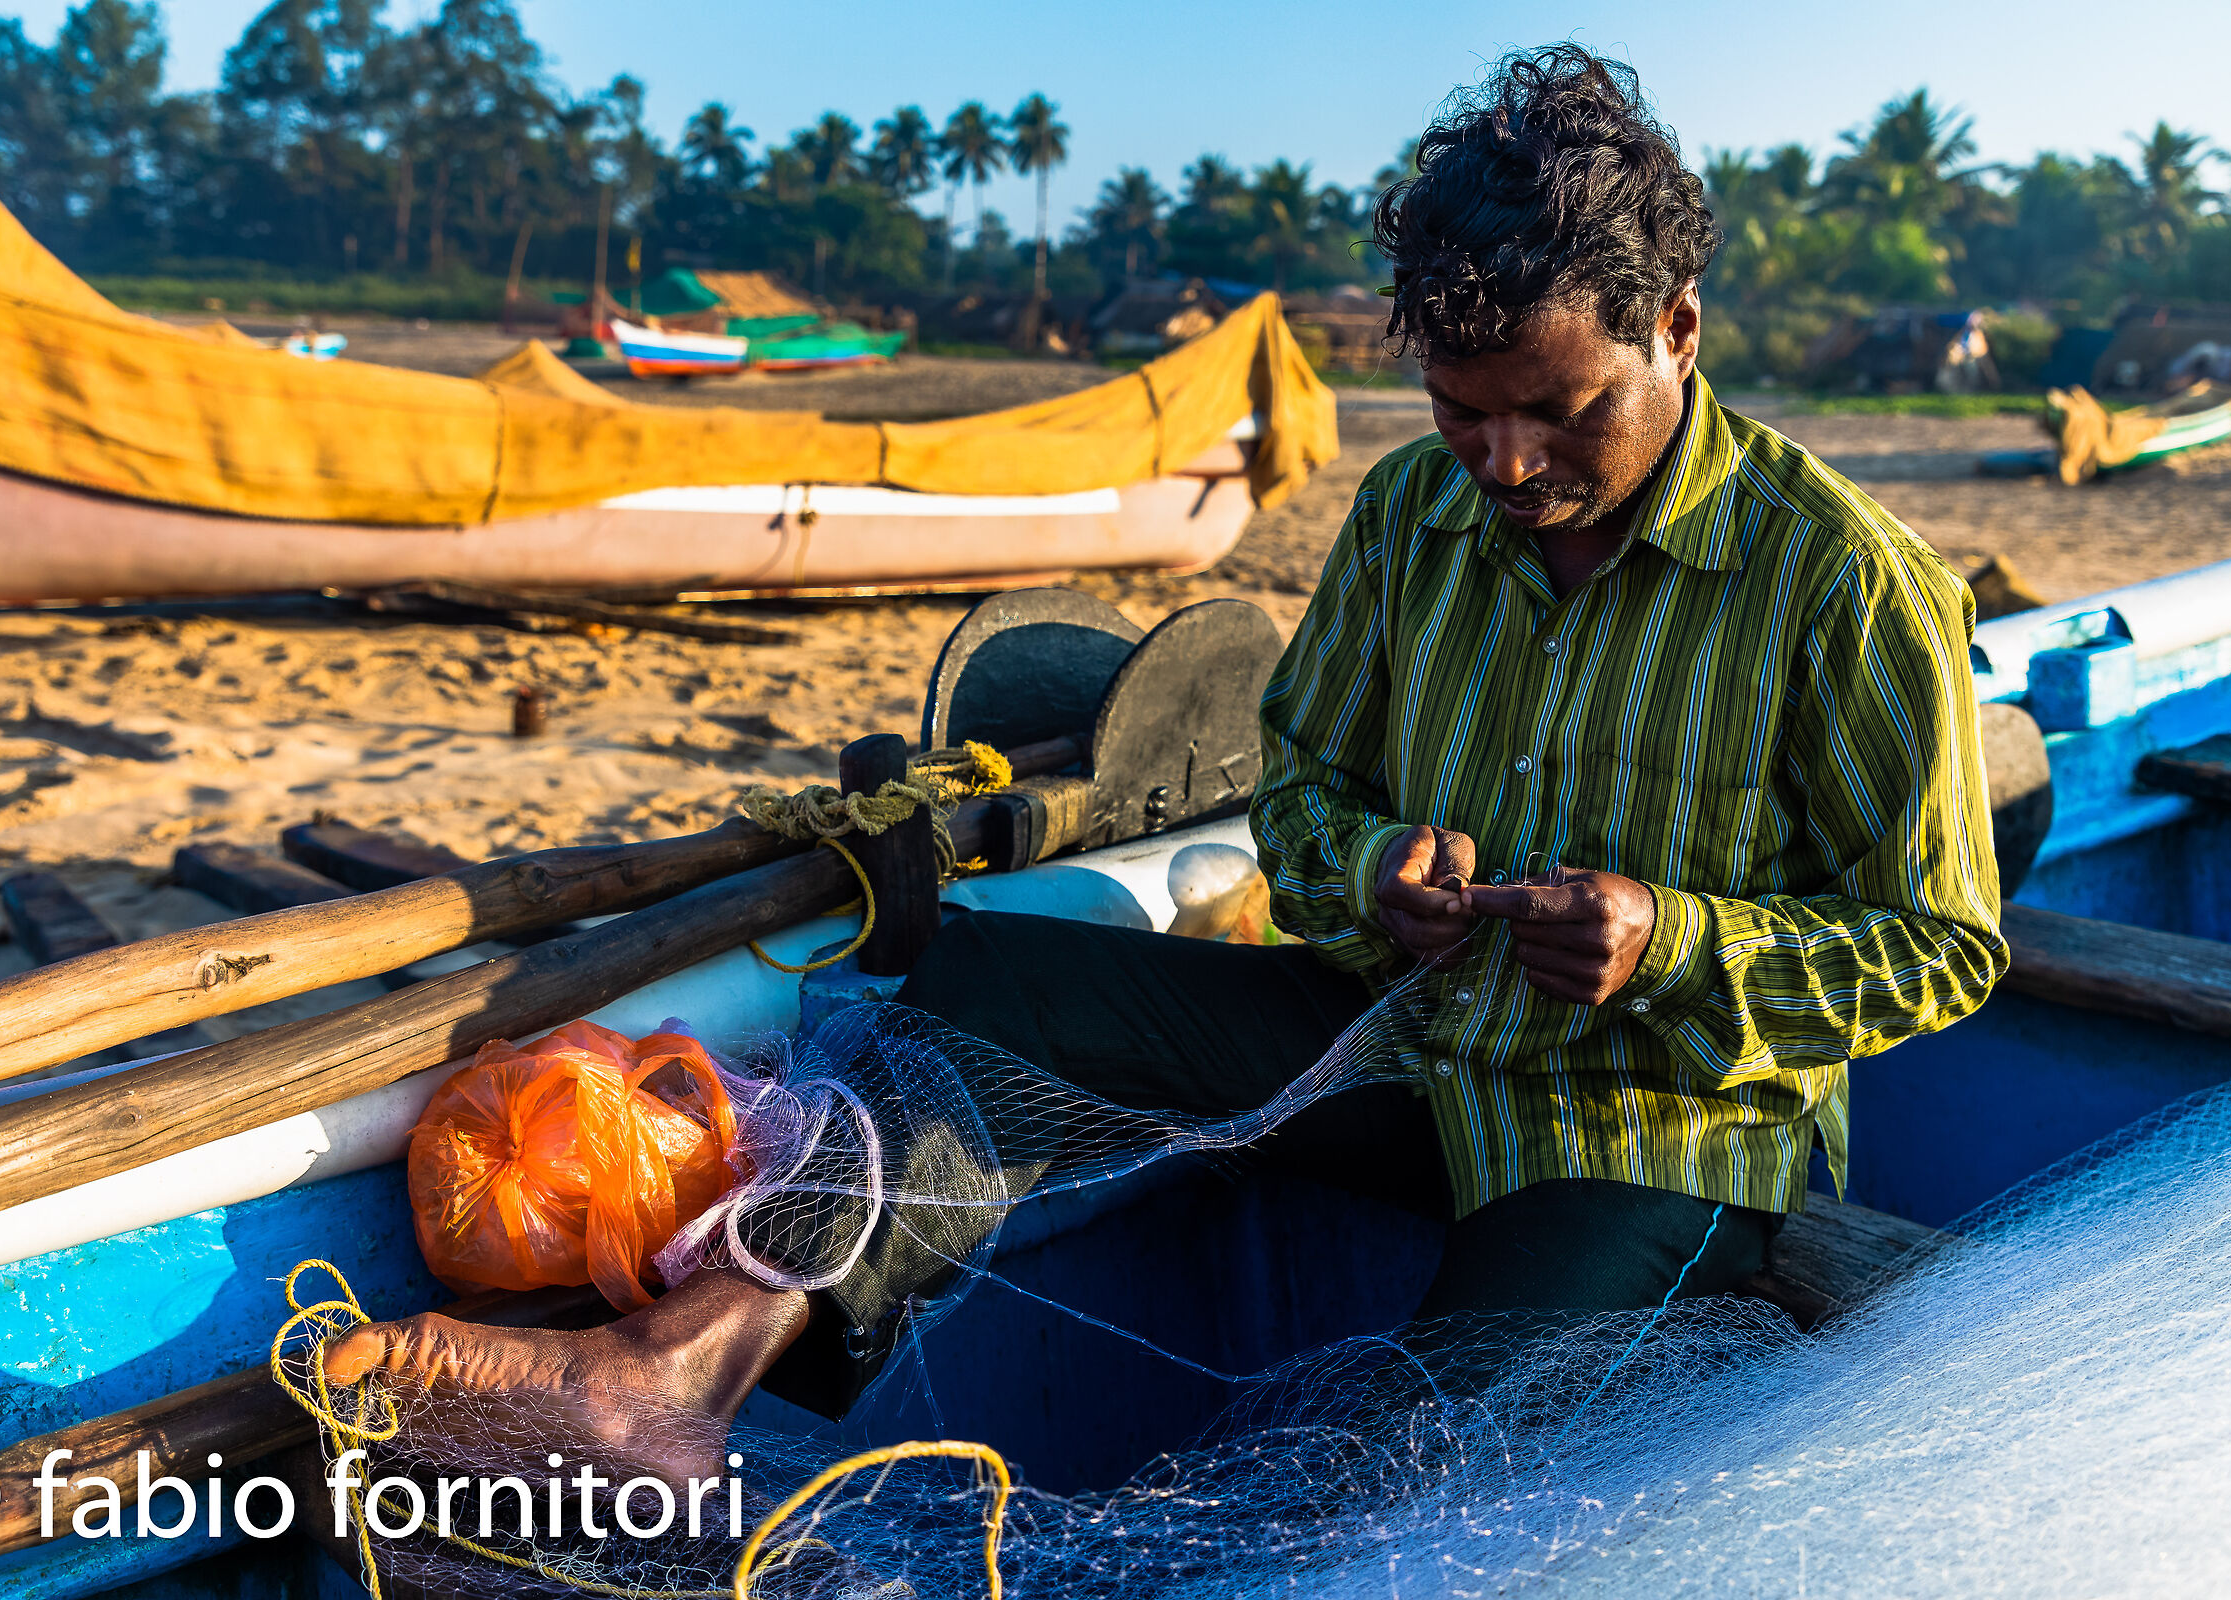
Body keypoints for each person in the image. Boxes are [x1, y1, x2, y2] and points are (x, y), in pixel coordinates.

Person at [324, 42, 2005, 1480]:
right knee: (990, 983)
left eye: (1559, 410)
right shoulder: (1412, 515)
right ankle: (673, 1371)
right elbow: (1304, 786)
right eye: (1460, 409)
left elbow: (1941, 949)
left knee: (1414, 1460)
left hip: (1656, 1134)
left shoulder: (1848, 582)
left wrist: (1672, 938)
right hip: (1401, 1051)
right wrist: (1370, 874)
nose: (1504, 462)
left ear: (1677, 329)